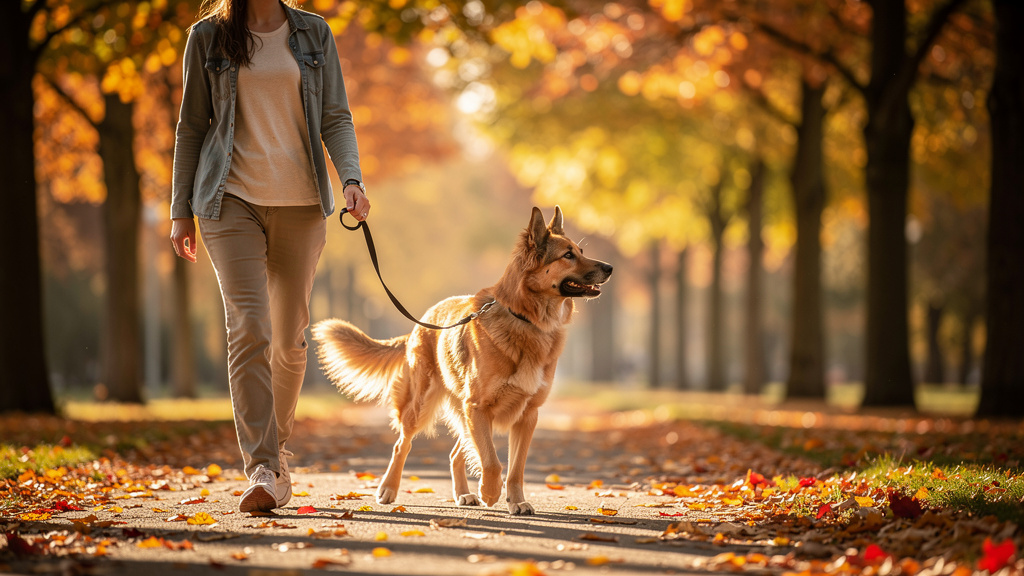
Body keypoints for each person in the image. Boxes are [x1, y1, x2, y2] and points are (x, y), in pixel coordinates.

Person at [169, 0, 370, 512]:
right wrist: (180, 210)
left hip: (301, 203)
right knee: (249, 326)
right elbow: (192, 126)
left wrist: (351, 178)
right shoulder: (207, 37)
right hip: (225, 200)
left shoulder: (313, 33)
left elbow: (335, 115)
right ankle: (262, 465)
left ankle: (277, 451)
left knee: (288, 336)